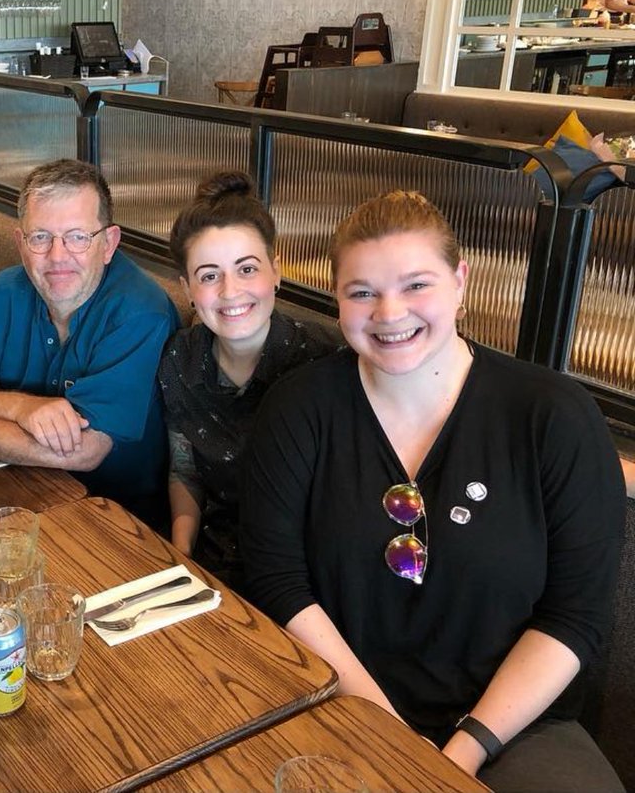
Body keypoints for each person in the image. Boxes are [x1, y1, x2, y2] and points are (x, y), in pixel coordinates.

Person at [240, 191, 624, 792]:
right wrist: (386, 733)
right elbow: (276, 581)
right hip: (332, 697)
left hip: (511, 727)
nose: (389, 313)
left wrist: (464, 751)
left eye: (416, 285)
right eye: (362, 292)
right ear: (337, 298)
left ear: (460, 281)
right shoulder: (300, 408)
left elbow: (575, 617)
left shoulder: (553, 416)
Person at [0, 159, 180, 530]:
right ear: (20, 242)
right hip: (19, 493)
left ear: (108, 244)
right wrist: (19, 408)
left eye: (78, 237)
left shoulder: (141, 312)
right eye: (41, 237)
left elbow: (85, 448)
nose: (58, 256)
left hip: (121, 520)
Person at [156, 172, 339, 589]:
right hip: (215, 560)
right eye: (208, 275)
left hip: (307, 575)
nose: (230, 290)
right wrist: (179, 556)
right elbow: (185, 470)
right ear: (187, 289)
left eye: (247, 269)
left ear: (275, 272)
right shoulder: (180, 359)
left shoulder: (324, 360)